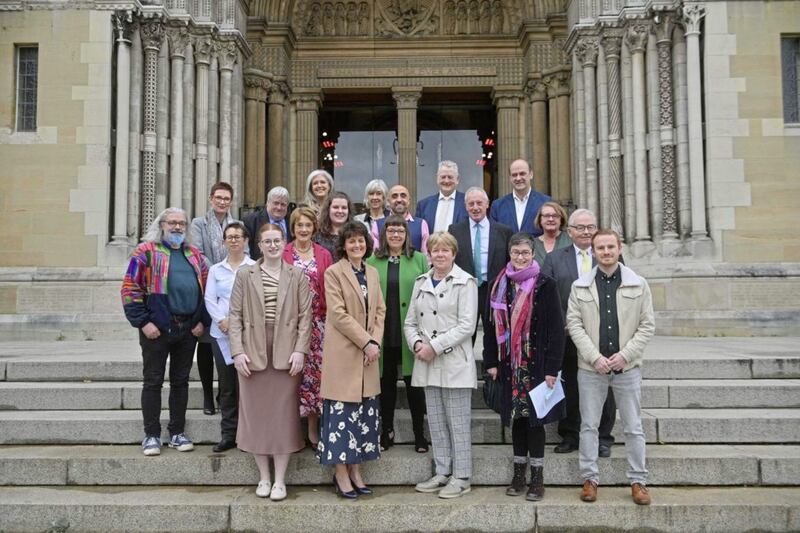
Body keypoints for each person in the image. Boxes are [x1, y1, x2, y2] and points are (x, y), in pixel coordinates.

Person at [567, 229, 655, 506]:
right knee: (589, 426)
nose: (605, 252)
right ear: (592, 252)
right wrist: (594, 357)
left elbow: (647, 325)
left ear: (620, 248)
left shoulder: (638, 284)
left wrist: (625, 355)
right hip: (592, 369)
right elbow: (574, 325)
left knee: (633, 427)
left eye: (610, 247)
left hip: (626, 368)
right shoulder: (579, 286)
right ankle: (590, 478)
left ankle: (638, 480)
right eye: (600, 248)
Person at [228, 223, 312, 501]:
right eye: (267, 241)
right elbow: (235, 316)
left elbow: (305, 317)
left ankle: (280, 480)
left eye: (277, 240)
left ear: (284, 243)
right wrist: (237, 352)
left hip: (285, 351)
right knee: (256, 416)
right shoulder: (245, 274)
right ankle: (263, 477)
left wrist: (300, 350)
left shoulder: (297, 274)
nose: (273, 245)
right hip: (253, 350)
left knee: (283, 416)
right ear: (259, 245)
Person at [121, 207, 209, 456]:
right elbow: (130, 288)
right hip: (156, 329)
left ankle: (177, 432)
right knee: (153, 381)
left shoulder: (194, 255)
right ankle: (151, 435)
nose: (178, 227)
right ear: (162, 225)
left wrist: (202, 321)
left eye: (182, 223)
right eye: (172, 223)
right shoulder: (146, 252)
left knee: (180, 382)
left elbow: (207, 290)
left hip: (187, 329)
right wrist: (143, 322)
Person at [483, 232, 565, 501]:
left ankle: (537, 479)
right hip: (510, 365)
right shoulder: (499, 284)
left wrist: (552, 369)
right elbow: (489, 328)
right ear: (510, 254)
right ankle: (518, 475)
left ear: (533, 255)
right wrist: (492, 361)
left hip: (536, 365)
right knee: (516, 420)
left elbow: (556, 330)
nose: (520, 257)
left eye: (525, 253)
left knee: (535, 422)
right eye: (516, 253)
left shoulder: (545, 284)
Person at [405, 232, 478, 499]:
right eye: (435, 250)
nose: (439, 254)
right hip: (426, 362)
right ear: (429, 254)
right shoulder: (421, 282)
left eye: (445, 250)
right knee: (435, 422)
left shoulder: (465, 282)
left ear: (454, 254)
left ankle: (461, 476)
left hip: (453, 361)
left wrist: (433, 347)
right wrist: (416, 345)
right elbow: (410, 322)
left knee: (457, 423)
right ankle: (442, 471)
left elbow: (467, 326)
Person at [318, 222, 386, 499]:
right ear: (343, 246)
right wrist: (366, 342)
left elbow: (380, 310)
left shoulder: (372, 272)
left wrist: (375, 343)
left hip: (368, 356)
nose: (357, 246)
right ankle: (341, 473)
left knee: (363, 417)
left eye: (361, 241)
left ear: (367, 244)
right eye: (351, 242)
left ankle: (356, 469)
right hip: (344, 353)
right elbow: (337, 314)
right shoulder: (334, 273)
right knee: (341, 416)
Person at [542, 209, 616, 457]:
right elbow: (547, 296)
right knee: (571, 387)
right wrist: (562, 324)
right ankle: (571, 435)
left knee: (603, 387)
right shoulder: (554, 259)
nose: (586, 232)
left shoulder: (607, 255)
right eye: (580, 227)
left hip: (602, 336)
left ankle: (603, 437)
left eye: (590, 227)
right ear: (569, 231)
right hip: (567, 335)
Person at [366, 215, 430, 453]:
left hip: (410, 332)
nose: (395, 235)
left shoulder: (419, 260)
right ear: (383, 235)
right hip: (384, 332)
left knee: (415, 387)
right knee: (387, 385)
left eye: (400, 231)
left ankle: (419, 434)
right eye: (390, 231)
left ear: (407, 235)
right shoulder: (373, 261)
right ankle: (386, 431)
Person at [282, 206, 334, 448]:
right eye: (299, 225)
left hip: (319, 325)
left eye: (307, 225)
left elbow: (330, 289)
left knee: (314, 379)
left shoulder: (324, 254)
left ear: (314, 228)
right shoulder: (283, 253)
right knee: (291, 376)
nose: (303, 229)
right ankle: (290, 429)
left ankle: (313, 428)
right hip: (290, 326)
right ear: (292, 228)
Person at [203, 221, 256, 453]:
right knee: (227, 387)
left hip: (248, 335)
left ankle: (248, 435)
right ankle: (228, 434)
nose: (234, 240)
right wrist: (222, 321)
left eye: (238, 236)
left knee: (248, 385)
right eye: (229, 237)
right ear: (224, 242)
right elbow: (209, 299)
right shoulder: (216, 270)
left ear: (246, 241)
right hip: (222, 334)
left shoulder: (255, 267)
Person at [190, 182, 238, 416]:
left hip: (230, 291)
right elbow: (197, 253)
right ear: (210, 199)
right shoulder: (199, 224)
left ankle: (223, 393)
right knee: (207, 345)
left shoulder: (235, 224)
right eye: (218, 197)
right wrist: (218, 272)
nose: (222, 201)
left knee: (227, 347)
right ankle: (208, 395)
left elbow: (241, 252)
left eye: (226, 198)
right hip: (206, 288)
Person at [449, 186, 512, 348]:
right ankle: (464, 370)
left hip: (493, 289)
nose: (475, 208)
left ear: (487, 204)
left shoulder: (503, 231)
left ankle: (490, 370)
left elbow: (508, 262)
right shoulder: (454, 230)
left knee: (492, 332)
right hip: (465, 289)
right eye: (471, 204)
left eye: (479, 203)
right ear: (465, 206)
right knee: (464, 333)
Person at [488, 159, 551, 236]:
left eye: (522, 174)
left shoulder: (545, 202)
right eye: (514, 175)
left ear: (531, 174)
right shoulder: (498, 206)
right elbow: (493, 236)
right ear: (510, 178)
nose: (518, 178)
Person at [371, 184, 429, 255]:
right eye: (394, 196)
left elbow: (426, 256)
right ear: (389, 201)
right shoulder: (377, 225)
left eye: (403, 196)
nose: (399, 200)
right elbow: (375, 254)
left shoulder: (421, 224)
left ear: (409, 201)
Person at [415, 160, 468, 233]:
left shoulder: (467, 202)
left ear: (457, 179)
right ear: (437, 178)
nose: (446, 181)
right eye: (443, 177)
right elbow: (418, 232)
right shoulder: (423, 205)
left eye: (450, 177)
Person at [243, 186, 293, 260]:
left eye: (283, 204)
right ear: (267, 202)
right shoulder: (250, 221)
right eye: (276, 203)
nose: (279, 207)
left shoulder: (292, 221)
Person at [314, 191, 354, 257]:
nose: (340, 211)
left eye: (344, 208)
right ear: (328, 210)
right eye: (335, 207)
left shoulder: (355, 234)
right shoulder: (317, 236)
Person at [532, 201, 571, 266]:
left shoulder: (571, 240)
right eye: (547, 216)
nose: (551, 219)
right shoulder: (532, 244)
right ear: (540, 219)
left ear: (561, 220)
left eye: (555, 216)